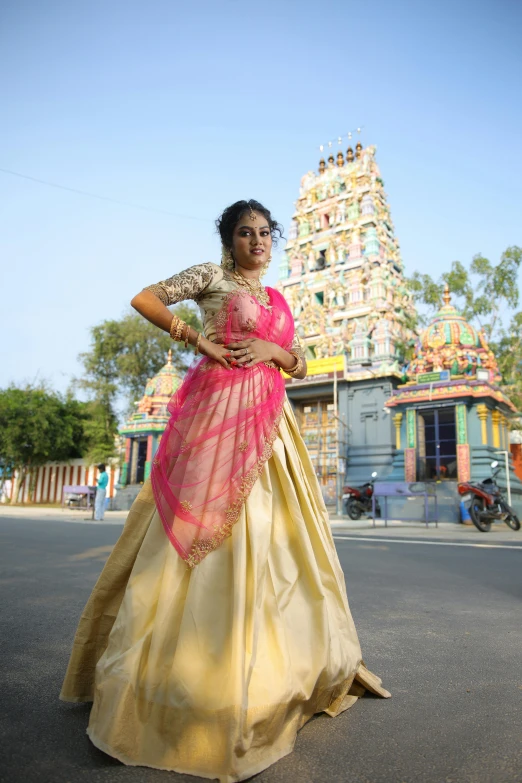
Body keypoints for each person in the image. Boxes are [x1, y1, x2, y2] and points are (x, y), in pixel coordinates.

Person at [60, 200, 390, 782]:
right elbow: (145, 298)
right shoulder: (211, 278)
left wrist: (274, 352)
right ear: (228, 239)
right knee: (196, 539)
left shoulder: (278, 297)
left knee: (280, 544)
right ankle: (177, 685)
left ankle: (282, 672)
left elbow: (301, 365)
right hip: (217, 421)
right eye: (246, 233)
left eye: (265, 233)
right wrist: (198, 340)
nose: (258, 241)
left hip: (272, 431)